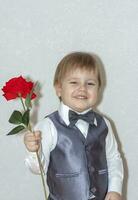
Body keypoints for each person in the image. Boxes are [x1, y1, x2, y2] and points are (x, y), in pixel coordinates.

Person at [24, 52, 124, 200]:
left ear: (99, 89)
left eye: (90, 83)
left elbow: (113, 158)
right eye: (74, 82)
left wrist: (115, 189)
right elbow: (38, 169)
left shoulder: (104, 124)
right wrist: (33, 151)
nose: (82, 88)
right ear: (59, 88)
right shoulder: (48, 126)